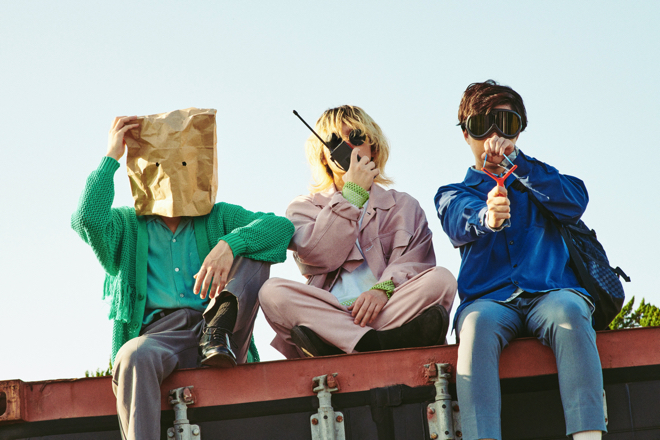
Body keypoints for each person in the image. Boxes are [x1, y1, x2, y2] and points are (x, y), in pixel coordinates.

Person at [71, 116, 294, 440]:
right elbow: (87, 220)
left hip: (223, 333)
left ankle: (217, 328)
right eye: (159, 165)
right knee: (132, 355)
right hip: (160, 338)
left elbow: (281, 229)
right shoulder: (128, 225)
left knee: (255, 247)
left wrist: (229, 245)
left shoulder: (218, 216)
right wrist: (111, 157)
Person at [434, 80, 606, 440]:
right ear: (466, 134)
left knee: (570, 311)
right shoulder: (453, 193)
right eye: (482, 126)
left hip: (550, 291)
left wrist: (519, 164)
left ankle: (588, 435)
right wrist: (488, 216)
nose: (494, 136)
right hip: (489, 299)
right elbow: (458, 220)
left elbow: (575, 201)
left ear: (519, 130)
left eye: (506, 124)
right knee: (476, 327)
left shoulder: (539, 180)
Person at [259, 105, 456, 359]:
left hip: (388, 308)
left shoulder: (404, 205)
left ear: (373, 148)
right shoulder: (303, 207)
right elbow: (320, 256)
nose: (347, 147)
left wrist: (382, 289)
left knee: (442, 279)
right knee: (272, 292)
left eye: (356, 137)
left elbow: (416, 262)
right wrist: (352, 196)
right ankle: (372, 342)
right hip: (331, 313)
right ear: (323, 156)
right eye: (334, 141)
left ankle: (342, 343)